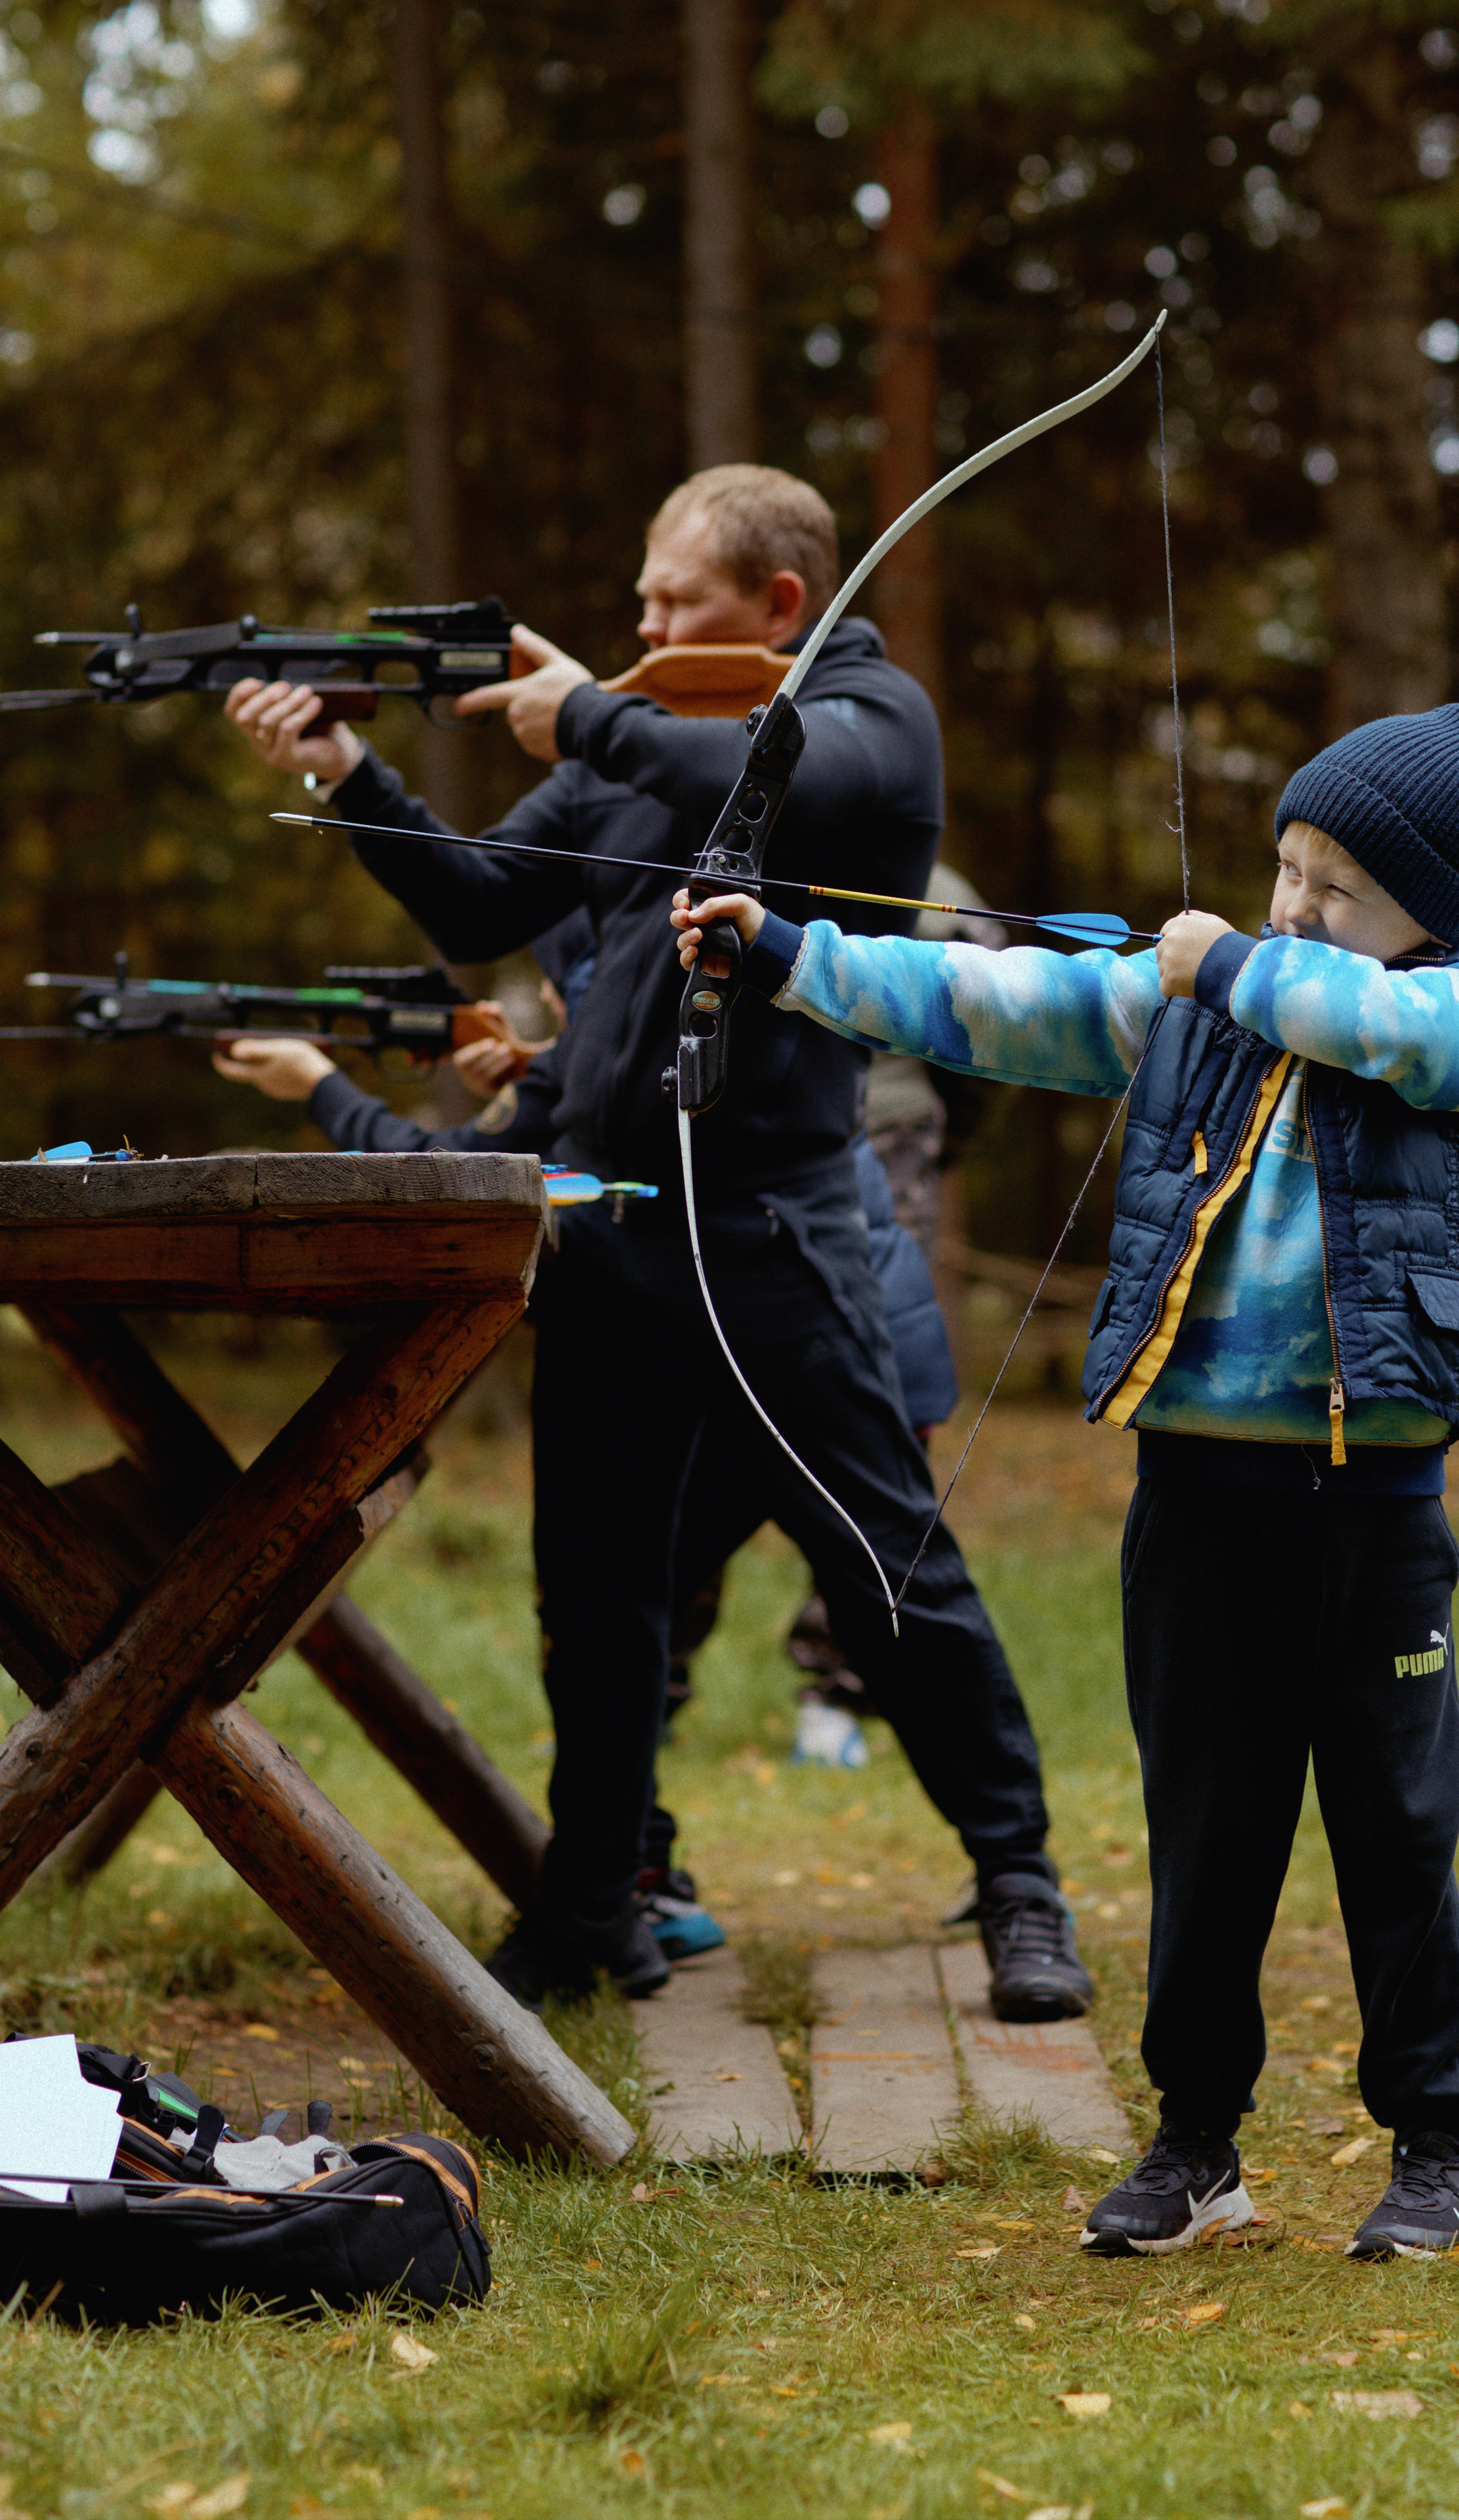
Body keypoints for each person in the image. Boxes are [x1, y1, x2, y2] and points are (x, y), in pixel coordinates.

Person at [221, 462, 1091, 2024]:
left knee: (883, 1560)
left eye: (668, 602)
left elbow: (793, 780)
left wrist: (588, 711)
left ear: (773, 603)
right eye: (635, 603)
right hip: (612, 1229)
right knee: (598, 1588)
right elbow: (479, 897)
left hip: (780, 1223)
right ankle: (586, 1907)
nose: (633, 628)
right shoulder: (634, 740)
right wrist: (351, 764)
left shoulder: (869, 718)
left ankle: (1019, 1887)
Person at [675, 702, 1459, 2263]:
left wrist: (1238, 966)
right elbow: (996, 998)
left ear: (1430, 911)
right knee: (1207, 1825)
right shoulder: (1188, 1000)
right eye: (1285, 870)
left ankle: (1433, 2150)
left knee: (1393, 1831)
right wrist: (793, 955)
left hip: (1373, 1513)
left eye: (1337, 891)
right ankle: (1198, 2144)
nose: (1293, 906)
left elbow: (1406, 1039)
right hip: (1195, 1492)